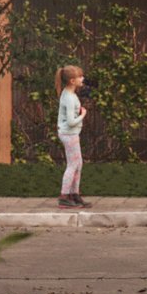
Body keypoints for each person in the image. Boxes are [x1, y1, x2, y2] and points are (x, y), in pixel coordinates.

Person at [56, 61, 88, 207]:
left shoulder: (69, 93)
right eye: (80, 77)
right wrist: (83, 115)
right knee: (73, 164)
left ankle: (74, 194)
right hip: (69, 134)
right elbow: (70, 122)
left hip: (71, 134)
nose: (83, 78)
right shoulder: (69, 97)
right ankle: (64, 196)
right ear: (72, 81)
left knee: (78, 164)